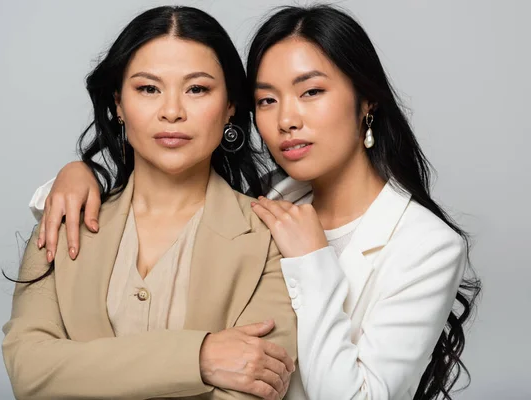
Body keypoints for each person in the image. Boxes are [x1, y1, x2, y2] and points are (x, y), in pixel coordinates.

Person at [31, 5, 481, 400]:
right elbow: (172, 182)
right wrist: (77, 174)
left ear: (366, 101)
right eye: (267, 99)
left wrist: (313, 261)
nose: (286, 119)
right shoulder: (267, 198)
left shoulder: (427, 246)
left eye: (312, 92)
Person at [3, 6, 297, 400]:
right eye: (148, 88)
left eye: (197, 89)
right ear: (118, 105)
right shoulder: (62, 217)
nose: (172, 111)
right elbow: (30, 371)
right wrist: (200, 358)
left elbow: (260, 384)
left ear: (230, 105)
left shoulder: (272, 239)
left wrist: (82, 370)